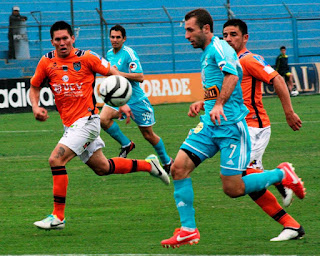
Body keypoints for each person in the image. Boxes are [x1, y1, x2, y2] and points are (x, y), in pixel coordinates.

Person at [160, 9, 305, 248]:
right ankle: (188, 230)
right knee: (178, 169)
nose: (186, 36)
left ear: (206, 29)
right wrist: (205, 102)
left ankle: (282, 175)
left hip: (232, 129)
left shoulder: (221, 49)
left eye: (190, 30)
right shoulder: (209, 51)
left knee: (234, 188)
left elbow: (232, 76)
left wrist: (217, 104)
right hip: (209, 125)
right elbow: (221, 82)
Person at [29, 21, 170, 230]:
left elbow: (114, 75)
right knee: (103, 168)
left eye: (65, 38)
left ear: (72, 39)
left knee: (56, 160)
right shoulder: (46, 62)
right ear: (52, 42)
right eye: (57, 39)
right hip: (70, 125)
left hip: (87, 122)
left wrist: (121, 104)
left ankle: (58, 217)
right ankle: (150, 165)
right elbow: (34, 86)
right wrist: (35, 106)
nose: (62, 43)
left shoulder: (88, 57)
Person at [222, 19, 304, 241]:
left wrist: (289, 112)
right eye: (225, 35)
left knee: (240, 180)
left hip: (253, 128)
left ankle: (282, 176)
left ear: (245, 38)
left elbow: (276, 79)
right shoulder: (230, 62)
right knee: (249, 184)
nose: (228, 39)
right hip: (239, 129)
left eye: (233, 34)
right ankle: (291, 225)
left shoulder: (249, 59)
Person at [100, 24, 172, 173]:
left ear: (124, 39)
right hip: (120, 99)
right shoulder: (110, 53)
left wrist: (120, 74)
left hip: (137, 101)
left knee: (148, 135)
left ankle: (167, 161)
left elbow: (140, 77)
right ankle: (127, 144)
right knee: (103, 119)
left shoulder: (129, 54)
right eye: (112, 37)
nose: (114, 40)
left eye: (118, 37)